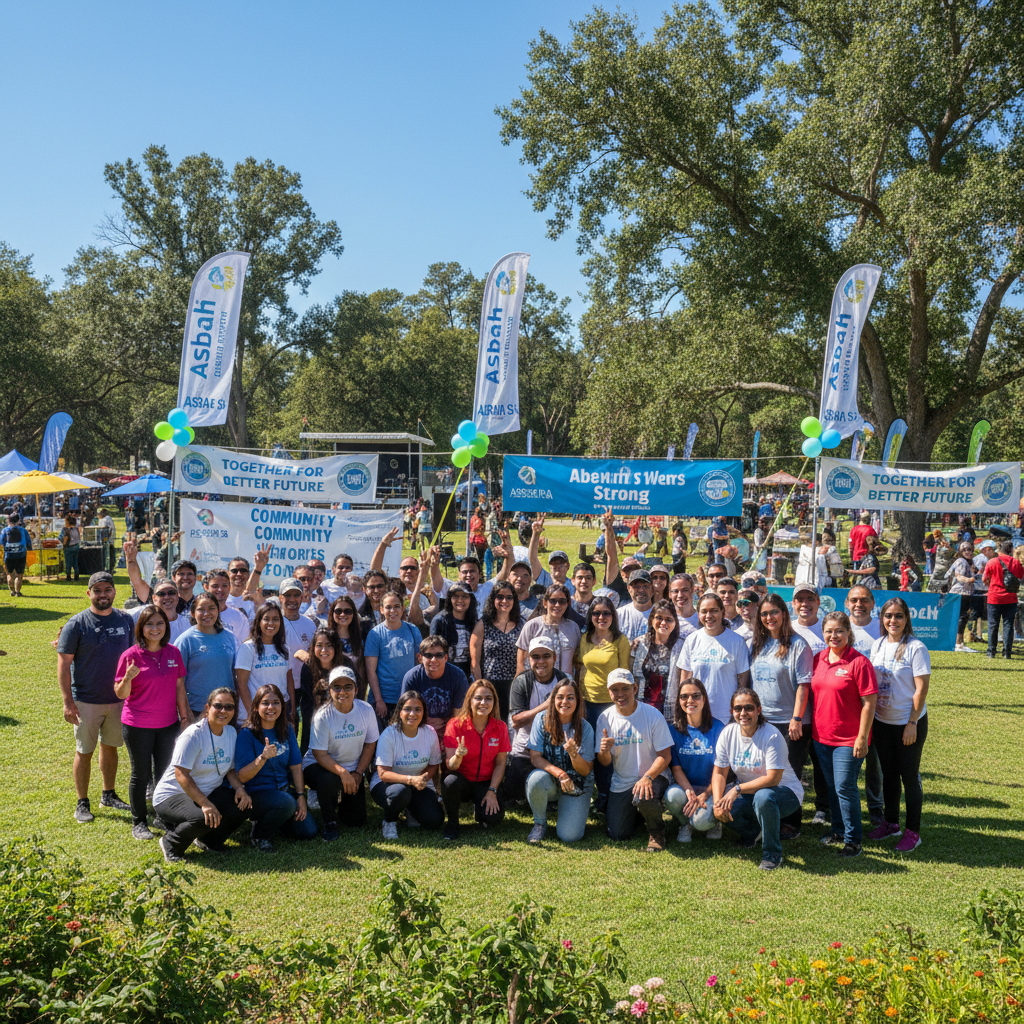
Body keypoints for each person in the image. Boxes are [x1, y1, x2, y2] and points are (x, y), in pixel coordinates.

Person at [56, 571, 135, 823]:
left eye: (107, 590)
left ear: (114, 592)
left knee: (110, 747)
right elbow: (63, 665)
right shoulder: (76, 624)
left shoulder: (125, 620)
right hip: (86, 700)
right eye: (97, 590)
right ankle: (82, 802)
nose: (103, 594)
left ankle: (108, 794)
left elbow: (134, 655)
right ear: (89, 593)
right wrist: (68, 702)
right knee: (84, 750)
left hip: (117, 700)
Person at [153, 687, 252, 862]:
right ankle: (171, 843)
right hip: (172, 795)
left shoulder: (230, 732)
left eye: (229, 707)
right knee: (202, 817)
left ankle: (209, 841)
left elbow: (229, 768)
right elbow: (181, 773)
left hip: (205, 793)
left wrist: (239, 789)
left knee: (243, 806)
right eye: (218, 705)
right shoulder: (193, 735)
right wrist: (205, 804)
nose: (223, 711)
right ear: (207, 708)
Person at [710, 688, 805, 870]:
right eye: (738, 708)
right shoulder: (728, 733)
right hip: (750, 793)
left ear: (758, 710)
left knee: (763, 797)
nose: (743, 713)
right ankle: (753, 832)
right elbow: (719, 772)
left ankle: (772, 853)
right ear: (732, 712)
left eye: (749, 708)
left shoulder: (772, 735)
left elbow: (773, 779)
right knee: (726, 809)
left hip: (785, 794)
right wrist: (717, 803)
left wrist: (736, 789)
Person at [113, 605, 185, 840]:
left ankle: (162, 817)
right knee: (140, 774)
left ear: (166, 627)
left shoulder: (174, 652)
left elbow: (179, 687)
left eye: (160, 624)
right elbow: (120, 694)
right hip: (138, 725)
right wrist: (127, 678)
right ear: (141, 628)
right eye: (150, 624)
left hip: (168, 724)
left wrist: (185, 718)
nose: (155, 628)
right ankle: (139, 822)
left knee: (164, 774)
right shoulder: (130, 656)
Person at [811, 611, 878, 857]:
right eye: (829, 631)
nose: (834, 635)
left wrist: (862, 737)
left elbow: (869, 703)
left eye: (839, 630)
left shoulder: (859, 662)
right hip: (821, 737)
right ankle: (838, 831)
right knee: (832, 786)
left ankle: (853, 840)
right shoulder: (818, 659)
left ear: (849, 633)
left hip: (849, 740)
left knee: (845, 787)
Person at [868, 598, 931, 853]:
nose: (893, 621)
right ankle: (891, 823)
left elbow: (921, 690)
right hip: (883, 721)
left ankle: (912, 831)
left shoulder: (916, 647)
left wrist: (912, 722)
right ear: (882, 618)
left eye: (899, 616)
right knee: (889, 774)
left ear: (907, 619)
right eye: (888, 616)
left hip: (909, 722)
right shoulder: (878, 644)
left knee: (909, 776)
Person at [748, 592, 813, 837]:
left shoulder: (798, 645)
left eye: (774, 612)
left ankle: (792, 823)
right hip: (762, 721)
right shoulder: (756, 644)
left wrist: (797, 718)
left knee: (789, 774)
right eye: (764, 613)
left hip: (790, 722)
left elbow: (804, 686)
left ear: (784, 614)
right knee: (763, 771)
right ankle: (764, 817)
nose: (769, 617)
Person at [596, 668, 674, 850]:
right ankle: (640, 814)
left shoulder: (652, 714)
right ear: (609, 692)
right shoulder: (605, 718)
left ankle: (656, 831)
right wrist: (604, 751)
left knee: (644, 794)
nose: (620, 694)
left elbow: (665, 756)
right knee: (617, 834)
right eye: (615, 689)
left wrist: (647, 777)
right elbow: (605, 762)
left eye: (625, 688)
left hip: (653, 776)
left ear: (635, 688)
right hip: (622, 780)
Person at [301, 665, 379, 840]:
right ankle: (329, 823)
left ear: (356, 690)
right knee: (329, 780)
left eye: (347, 687)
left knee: (355, 820)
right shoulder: (322, 716)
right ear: (330, 690)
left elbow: (370, 743)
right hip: (318, 766)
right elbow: (319, 754)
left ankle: (338, 798)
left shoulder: (366, 710)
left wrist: (358, 772)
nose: (342, 691)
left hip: (352, 768)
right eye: (337, 687)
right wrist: (343, 772)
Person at [235, 683, 317, 850]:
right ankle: (260, 834)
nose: (270, 707)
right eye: (265, 703)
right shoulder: (246, 734)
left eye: (276, 702)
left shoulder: (286, 729)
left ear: (282, 705)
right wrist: (263, 757)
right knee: (286, 803)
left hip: (284, 790)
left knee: (308, 831)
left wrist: (301, 796)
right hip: (258, 794)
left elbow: (295, 765)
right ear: (256, 706)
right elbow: (242, 776)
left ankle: (277, 818)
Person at [525, 677, 595, 843]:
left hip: (577, 784)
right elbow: (535, 758)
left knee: (569, 836)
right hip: (552, 779)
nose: (565, 702)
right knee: (535, 778)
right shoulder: (541, 720)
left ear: (577, 701)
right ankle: (539, 824)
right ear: (553, 699)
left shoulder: (585, 728)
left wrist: (574, 754)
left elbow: (586, 770)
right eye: (560, 697)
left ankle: (567, 808)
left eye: (570, 697)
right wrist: (560, 774)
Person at [441, 679, 511, 841]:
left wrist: (492, 790)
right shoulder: (455, 725)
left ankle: (480, 810)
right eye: (478, 698)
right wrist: (458, 755)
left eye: (488, 698)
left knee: (494, 820)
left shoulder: (500, 727)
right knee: (449, 782)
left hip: (485, 783)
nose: (483, 703)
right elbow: (450, 765)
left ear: (494, 702)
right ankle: (452, 822)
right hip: (461, 780)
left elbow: (501, 763)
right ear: (469, 700)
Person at [371, 690, 445, 837]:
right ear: (399, 712)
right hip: (387, 784)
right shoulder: (389, 734)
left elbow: (433, 765)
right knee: (400, 792)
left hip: (418, 784)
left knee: (435, 820)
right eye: (407, 709)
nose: (413, 714)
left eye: (418, 709)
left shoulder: (430, 732)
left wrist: (424, 778)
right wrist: (410, 780)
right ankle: (389, 821)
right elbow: (383, 774)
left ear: (424, 713)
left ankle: (410, 809)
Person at [662, 677, 725, 842]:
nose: (690, 700)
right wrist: (690, 792)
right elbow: (676, 768)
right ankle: (684, 824)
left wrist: (706, 793)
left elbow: (721, 771)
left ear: (704, 699)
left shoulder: (719, 728)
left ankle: (714, 821)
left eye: (696, 696)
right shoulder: (672, 730)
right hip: (686, 786)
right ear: (679, 701)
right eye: (684, 696)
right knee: (672, 796)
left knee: (701, 822)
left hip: (713, 788)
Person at [505, 637, 569, 800]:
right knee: (513, 796)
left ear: (554, 658)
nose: (541, 661)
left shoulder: (564, 680)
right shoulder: (522, 681)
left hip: (555, 748)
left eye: (546, 656)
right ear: (529, 659)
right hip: (525, 749)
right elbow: (516, 720)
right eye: (535, 657)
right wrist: (546, 705)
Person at [677, 593, 751, 725]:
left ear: (722, 612)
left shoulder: (737, 641)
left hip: (726, 716)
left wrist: (737, 712)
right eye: (704, 611)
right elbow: (685, 681)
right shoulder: (692, 640)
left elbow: (742, 682)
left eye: (714, 611)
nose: (709, 616)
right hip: (697, 714)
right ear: (698, 614)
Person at [843, 585, 884, 826]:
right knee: (844, 761)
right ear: (847, 602)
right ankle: (835, 806)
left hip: (876, 706)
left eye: (864, 600)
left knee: (875, 763)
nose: (859, 604)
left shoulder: (882, 627)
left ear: (872, 603)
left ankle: (876, 807)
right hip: (845, 706)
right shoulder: (840, 627)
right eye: (854, 600)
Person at [365, 591, 423, 726]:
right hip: (385, 699)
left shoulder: (413, 630)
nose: (393, 610)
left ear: (402, 608)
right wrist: (379, 700)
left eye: (396, 606)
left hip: (407, 697)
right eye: (388, 607)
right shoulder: (375, 634)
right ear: (381, 610)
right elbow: (370, 670)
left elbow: (419, 664)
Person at [177, 594, 238, 721]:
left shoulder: (230, 637)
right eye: (201, 609)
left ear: (218, 610)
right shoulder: (186, 640)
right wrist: (186, 713)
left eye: (211, 608)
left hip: (225, 709)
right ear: (193, 613)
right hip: (196, 710)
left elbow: (234, 673)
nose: (206, 613)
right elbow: (178, 681)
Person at [470, 582, 522, 721]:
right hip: (490, 686)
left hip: (513, 686)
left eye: (509, 597)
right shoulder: (483, 624)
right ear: (493, 599)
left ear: (514, 600)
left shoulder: (521, 625)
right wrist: (481, 687)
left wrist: (518, 689)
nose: (504, 601)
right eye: (500, 597)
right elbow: (474, 662)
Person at [234, 604, 294, 723]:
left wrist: (292, 708)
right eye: (266, 618)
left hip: (279, 711)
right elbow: (242, 684)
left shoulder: (285, 649)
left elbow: (289, 679)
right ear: (259, 621)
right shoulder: (248, 648)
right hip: (254, 712)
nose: (271, 623)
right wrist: (253, 714)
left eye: (275, 619)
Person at [298, 628, 353, 752]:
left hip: (341, 713)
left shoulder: (346, 665)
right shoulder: (308, 666)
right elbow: (308, 696)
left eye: (329, 645)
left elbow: (354, 692)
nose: (324, 650)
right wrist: (318, 688)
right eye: (319, 646)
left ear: (336, 647)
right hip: (314, 713)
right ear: (313, 647)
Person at [400, 636, 469, 733]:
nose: (433, 660)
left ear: (445, 657)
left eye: (439, 655)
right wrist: (424, 722)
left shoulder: (458, 676)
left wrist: (447, 728)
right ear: (420, 658)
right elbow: (406, 711)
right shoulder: (412, 677)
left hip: (450, 728)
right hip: (419, 727)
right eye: (428, 655)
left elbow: (460, 713)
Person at [631, 600, 685, 718]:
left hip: (669, 711)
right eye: (659, 618)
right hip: (641, 708)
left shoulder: (682, 647)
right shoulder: (640, 644)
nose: (663, 622)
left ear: (675, 622)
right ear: (651, 620)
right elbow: (632, 675)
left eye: (668, 619)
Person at [516, 583, 581, 676]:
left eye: (562, 601)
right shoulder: (532, 626)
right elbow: (521, 660)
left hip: (566, 686)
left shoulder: (573, 628)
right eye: (553, 601)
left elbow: (577, 661)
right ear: (545, 603)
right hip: (537, 685)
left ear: (567, 604)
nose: (557, 605)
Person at [982, 539, 1024, 658]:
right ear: (1010, 550)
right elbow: (1020, 576)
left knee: (992, 624)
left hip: (994, 598)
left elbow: (984, 579)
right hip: (1010, 598)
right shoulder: (1015, 563)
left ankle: (991, 652)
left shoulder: (992, 562)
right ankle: (1007, 652)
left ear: (1000, 550)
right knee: (1008, 625)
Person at [430, 582, 477, 679]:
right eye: (456, 596)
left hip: (467, 676)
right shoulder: (439, 621)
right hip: (445, 675)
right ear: (450, 599)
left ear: (470, 599)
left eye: (464, 596)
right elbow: (432, 651)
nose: (460, 600)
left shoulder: (474, 621)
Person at [947, 540, 980, 652]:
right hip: (960, 592)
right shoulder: (961, 561)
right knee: (961, 617)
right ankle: (958, 643)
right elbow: (959, 576)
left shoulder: (969, 562)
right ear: (960, 552)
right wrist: (970, 579)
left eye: (969, 549)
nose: (967, 551)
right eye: (964, 549)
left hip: (965, 593)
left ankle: (959, 642)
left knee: (962, 617)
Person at [203, 569, 250, 645]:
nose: (220, 590)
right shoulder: (198, 614)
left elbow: (243, 646)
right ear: (206, 587)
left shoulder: (239, 616)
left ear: (229, 587)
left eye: (224, 586)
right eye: (215, 586)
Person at [616, 569, 656, 641]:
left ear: (652, 589)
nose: (641, 590)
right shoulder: (619, 615)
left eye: (645, 586)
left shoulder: (661, 615)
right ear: (629, 589)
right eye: (636, 586)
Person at [1, 512, 31, 597]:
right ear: (18, 520)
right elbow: (28, 542)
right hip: (21, 555)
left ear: (9, 520)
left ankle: (12, 591)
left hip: (9, 555)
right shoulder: (23, 530)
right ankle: (18, 592)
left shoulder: (4, 530)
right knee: (19, 575)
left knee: (9, 574)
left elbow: (1, 542)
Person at [790, 583, 826, 653]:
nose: (805, 604)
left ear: (818, 602)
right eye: (800, 600)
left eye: (810, 599)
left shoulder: (828, 630)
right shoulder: (786, 630)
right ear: (793, 604)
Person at [226, 555, 257, 621]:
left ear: (249, 574)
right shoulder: (221, 599)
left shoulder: (254, 601)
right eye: (234, 571)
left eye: (243, 570)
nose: (239, 574)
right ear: (228, 574)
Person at [59, 514, 81, 581]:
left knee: (68, 562)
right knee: (75, 562)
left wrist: (63, 544)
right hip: (76, 546)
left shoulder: (65, 529)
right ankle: (76, 575)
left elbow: (62, 538)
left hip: (68, 547)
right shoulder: (76, 528)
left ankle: (68, 576)